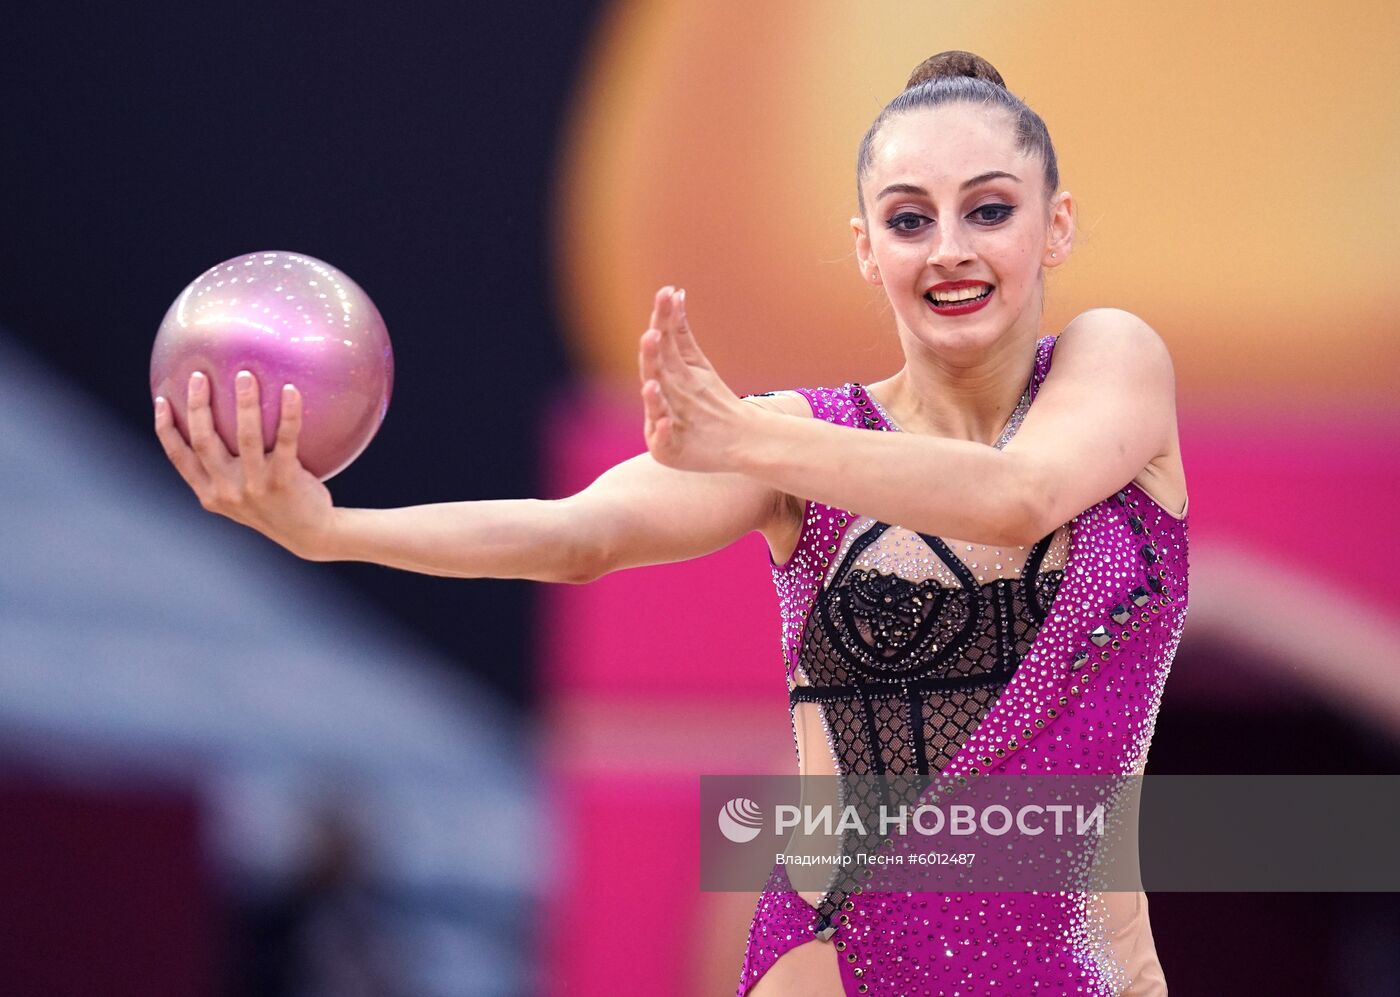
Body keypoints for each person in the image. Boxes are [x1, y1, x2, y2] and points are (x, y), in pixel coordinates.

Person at [155, 49, 1188, 997]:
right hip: (842, 962)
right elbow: (579, 535)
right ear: (866, 248)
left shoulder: (1111, 362)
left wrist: (741, 437)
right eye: (909, 219)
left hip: (1094, 974)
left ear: (1055, 224)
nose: (948, 250)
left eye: (989, 210)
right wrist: (333, 532)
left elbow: (1017, 495)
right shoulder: (794, 436)